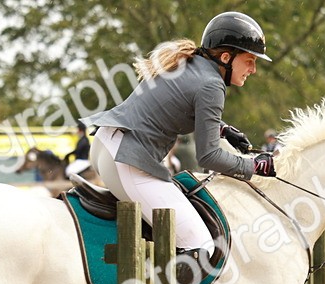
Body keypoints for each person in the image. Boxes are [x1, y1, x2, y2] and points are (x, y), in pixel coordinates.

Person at [84, 11, 276, 267]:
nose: (253, 69)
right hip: (126, 160)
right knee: (202, 248)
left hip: (106, 146)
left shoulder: (192, 64)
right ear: (226, 57)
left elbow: (174, 104)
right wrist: (254, 166)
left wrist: (222, 129)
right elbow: (209, 157)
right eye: (250, 60)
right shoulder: (212, 85)